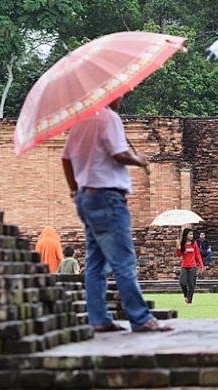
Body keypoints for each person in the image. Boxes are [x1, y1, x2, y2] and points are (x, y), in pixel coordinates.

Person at [61, 96, 171, 333]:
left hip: (86, 197)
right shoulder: (109, 118)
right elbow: (118, 154)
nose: (123, 96)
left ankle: (98, 319)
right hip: (108, 198)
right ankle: (140, 318)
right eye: (120, 92)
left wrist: (74, 191)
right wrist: (138, 160)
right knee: (123, 261)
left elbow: (66, 158)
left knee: (95, 262)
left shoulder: (80, 121)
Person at [176, 228, 205, 305]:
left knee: (192, 284)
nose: (191, 236)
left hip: (192, 266)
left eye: (192, 234)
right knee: (182, 282)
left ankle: (189, 301)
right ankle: (185, 295)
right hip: (184, 266)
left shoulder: (194, 244)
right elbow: (179, 255)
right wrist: (178, 248)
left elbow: (198, 255)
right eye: (190, 234)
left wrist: (201, 266)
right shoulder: (182, 244)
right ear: (186, 235)